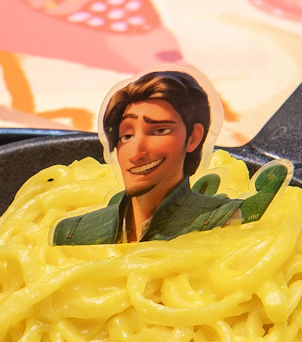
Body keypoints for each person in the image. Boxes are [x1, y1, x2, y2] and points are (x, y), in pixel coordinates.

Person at [53, 69, 287, 245]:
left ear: (194, 137)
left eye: (159, 130)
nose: (137, 153)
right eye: (126, 135)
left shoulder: (224, 219)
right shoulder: (73, 233)